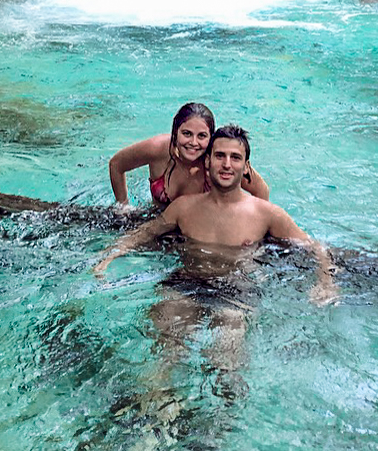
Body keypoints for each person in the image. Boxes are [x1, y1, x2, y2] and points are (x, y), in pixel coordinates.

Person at [95, 124, 338, 305]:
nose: (226, 164)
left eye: (235, 158)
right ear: (208, 160)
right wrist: (109, 257)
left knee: (227, 352)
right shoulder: (184, 208)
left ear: (246, 167)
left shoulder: (267, 214)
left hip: (237, 289)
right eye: (220, 156)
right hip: (185, 281)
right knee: (165, 344)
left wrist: (326, 284)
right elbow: (145, 233)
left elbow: (316, 247)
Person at [108, 103, 269, 210]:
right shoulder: (158, 149)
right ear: (175, 132)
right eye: (186, 133)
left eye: (202, 136)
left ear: (211, 137)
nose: (193, 143)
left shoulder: (218, 161)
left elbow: (261, 190)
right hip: (158, 222)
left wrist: (254, 226)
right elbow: (116, 165)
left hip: (198, 232)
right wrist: (123, 207)